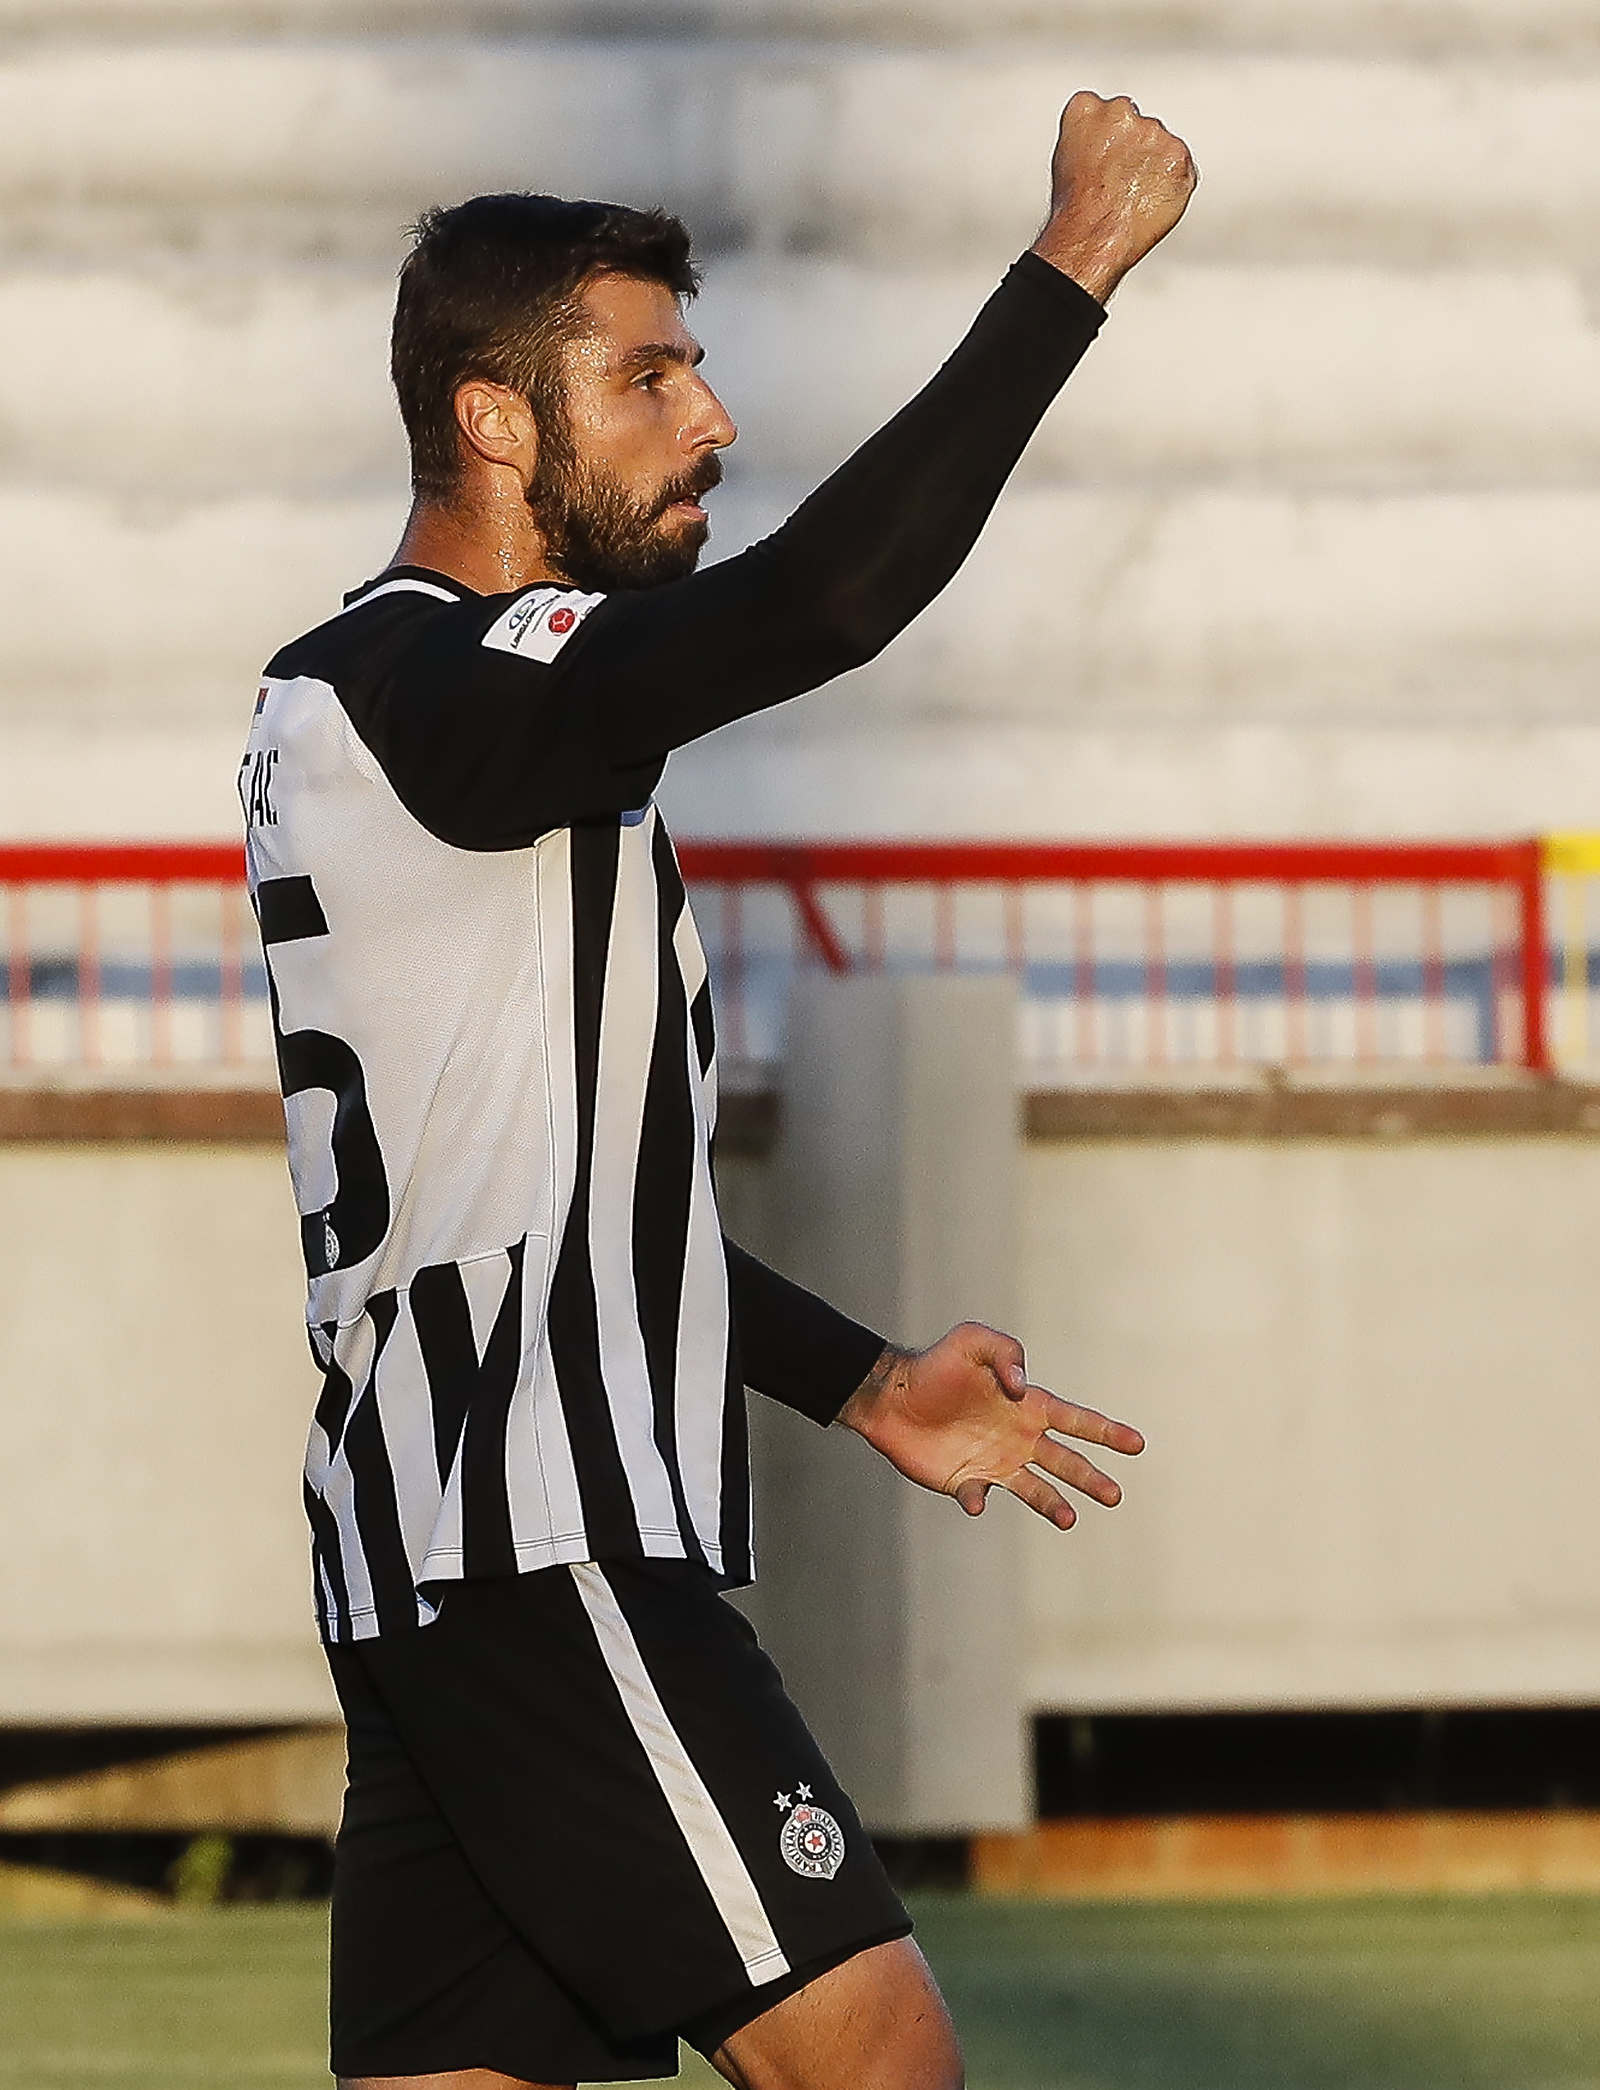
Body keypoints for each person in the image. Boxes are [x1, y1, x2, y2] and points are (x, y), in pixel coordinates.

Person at [239, 92, 1192, 2090]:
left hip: (438, 1552)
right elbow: (824, 604)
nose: (713, 421)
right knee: (877, 2064)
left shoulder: (395, 700)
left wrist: (858, 1376)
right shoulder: (437, 684)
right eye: (650, 373)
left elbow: (554, 1206)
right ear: (494, 418)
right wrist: (1071, 267)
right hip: (541, 1534)